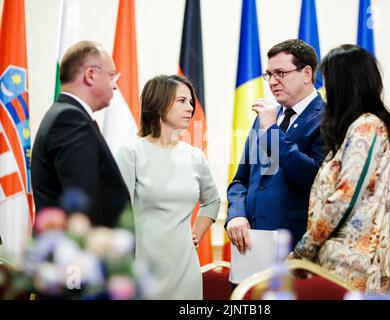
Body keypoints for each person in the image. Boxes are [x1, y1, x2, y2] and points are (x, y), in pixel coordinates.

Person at [292, 44, 390, 293]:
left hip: (352, 271)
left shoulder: (367, 127)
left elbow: (344, 198)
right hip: (336, 265)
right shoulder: (351, 132)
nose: (323, 89)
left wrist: (302, 250)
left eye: (327, 81)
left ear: (346, 84)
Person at [115, 75, 220, 300]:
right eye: (182, 101)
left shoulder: (195, 156)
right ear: (159, 103)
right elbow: (118, 213)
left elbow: (212, 200)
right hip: (142, 269)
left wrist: (196, 235)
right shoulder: (131, 153)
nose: (190, 108)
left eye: (191, 102)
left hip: (185, 270)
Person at [226, 39, 326, 255]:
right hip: (249, 243)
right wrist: (236, 214)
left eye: (280, 73)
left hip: (294, 246)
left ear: (307, 74)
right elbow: (240, 180)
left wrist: (272, 131)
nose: (272, 82)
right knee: (245, 291)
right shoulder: (264, 118)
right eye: (269, 75)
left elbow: (315, 179)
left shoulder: (329, 119)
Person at [31, 41, 130, 227]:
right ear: (90, 75)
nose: (115, 86)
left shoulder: (66, 114)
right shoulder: (70, 120)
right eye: (112, 76)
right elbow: (81, 201)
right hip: (80, 250)